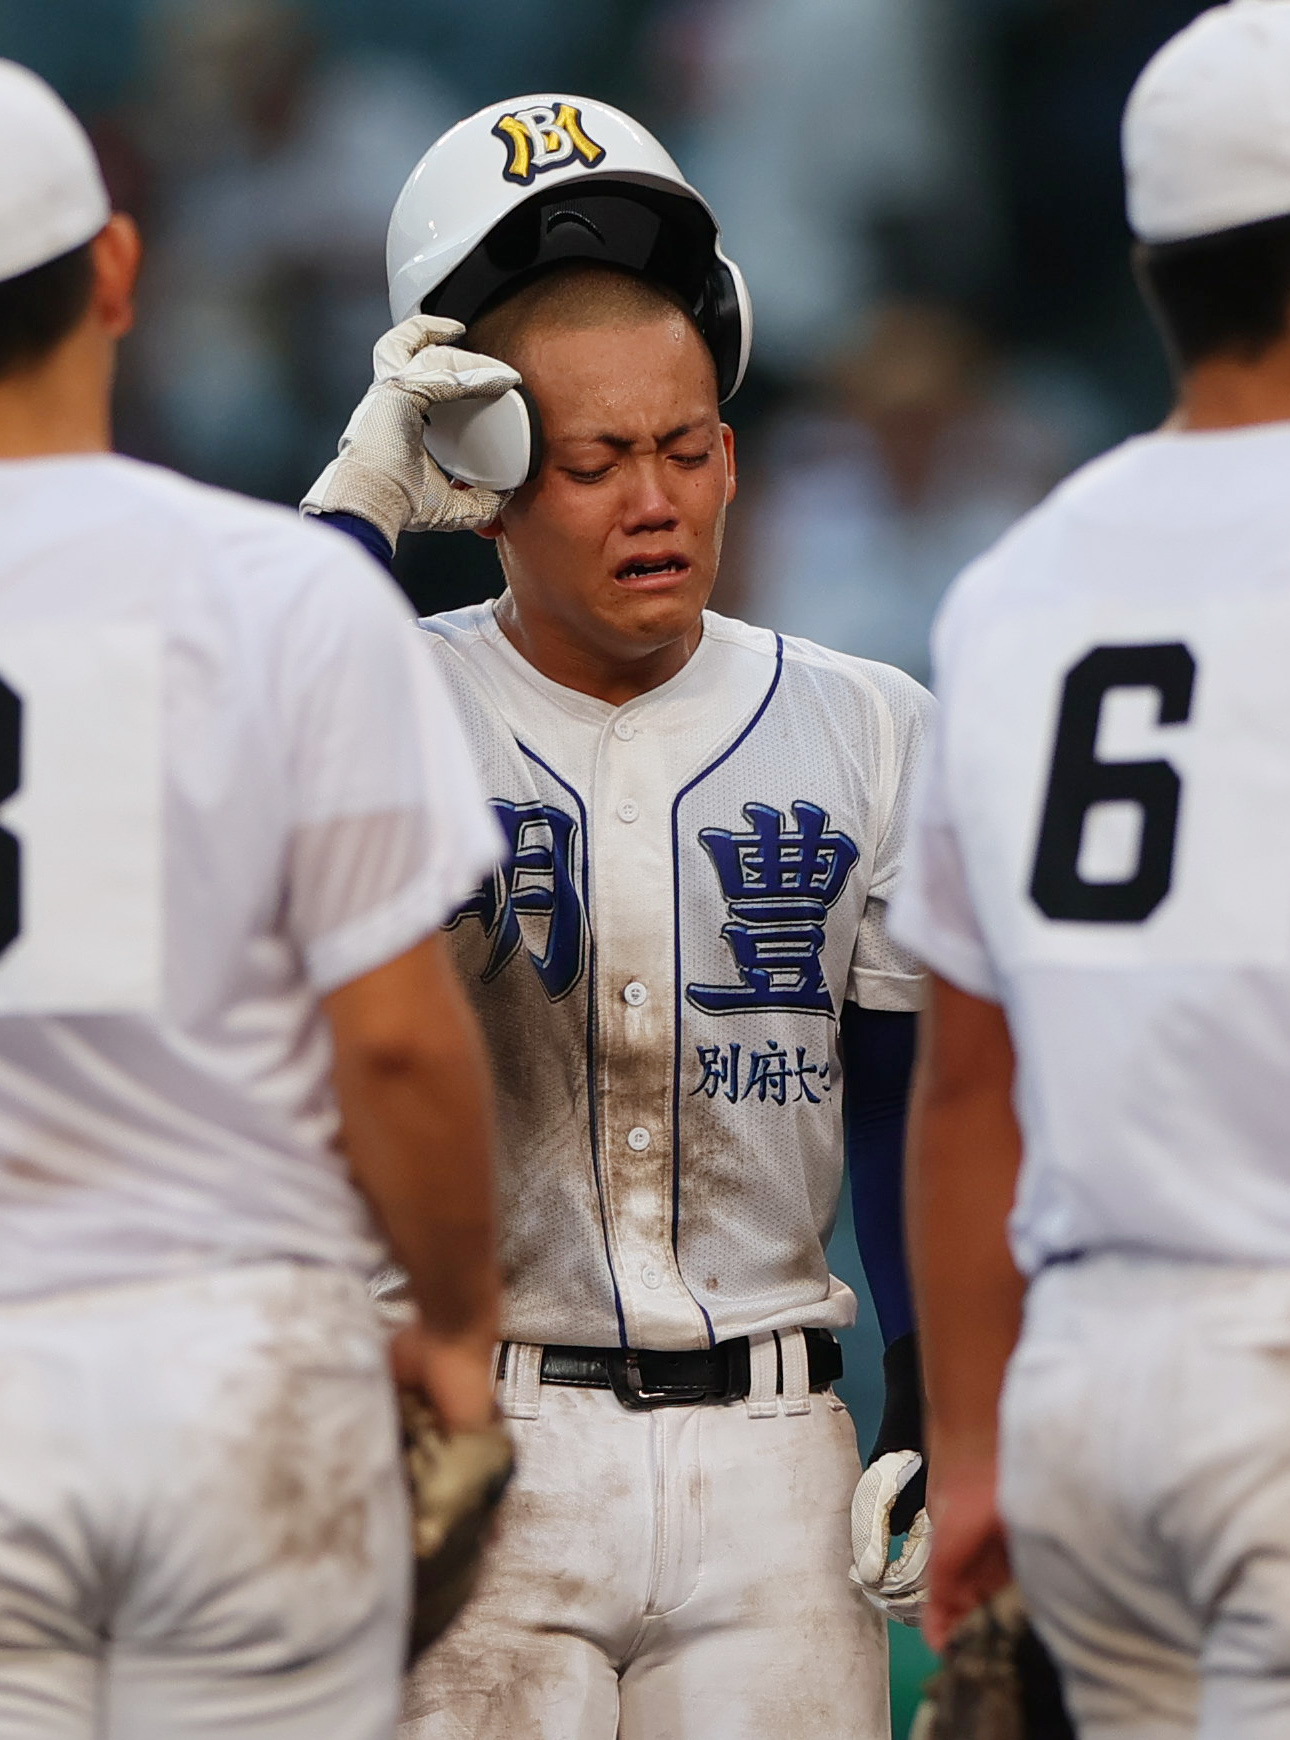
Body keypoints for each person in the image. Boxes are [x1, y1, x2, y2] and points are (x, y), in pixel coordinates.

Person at [304, 94, 935, 1740]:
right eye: (589, 462)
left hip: (771, 1451)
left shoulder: (866, 722)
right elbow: (243, 749)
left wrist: (930, 1385)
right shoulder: (389, 689)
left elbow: (901, 1097)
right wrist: (354, 515)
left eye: (684, 447)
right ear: (488, 473)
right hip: (475, 1436)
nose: (651, 499)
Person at [0, 61, 504, 1740]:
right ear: (120, 272)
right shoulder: (276, 589)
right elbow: (401, 1054)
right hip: (234, 1364)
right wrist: (451, 1333)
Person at [890, 3, 1290, 1734]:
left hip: (1085, 1388)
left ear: (1151, 261)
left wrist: (972, 1449)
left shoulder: (1014, 581)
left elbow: (963, 1080)